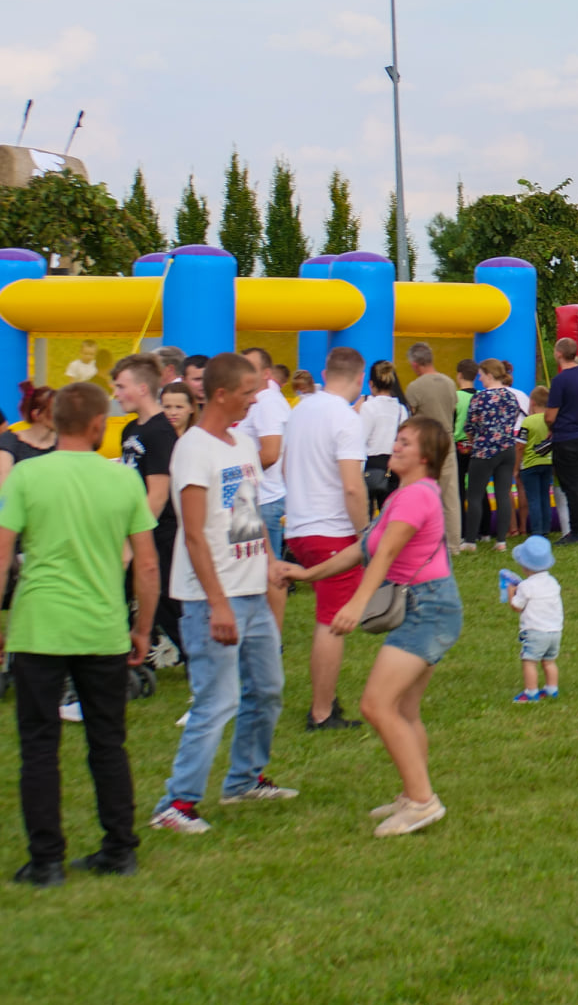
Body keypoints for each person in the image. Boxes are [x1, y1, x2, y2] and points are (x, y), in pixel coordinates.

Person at [1, 383, 160, 886]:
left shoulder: (26, 474)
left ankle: (46, 861)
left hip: (39, 625)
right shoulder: (121, 480)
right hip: (102, 627)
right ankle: (119, 849)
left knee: (39, 746)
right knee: (108, 743)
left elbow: (2, 557)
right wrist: (142, 630)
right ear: (97, 426)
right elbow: (147, 565)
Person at [274, 415, 462, 838]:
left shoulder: (416, 497)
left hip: (427, 608)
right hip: (426, 606)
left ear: (425, 456)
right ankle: (413, 793)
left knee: (376, 705)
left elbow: (387, 552)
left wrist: (357, 604)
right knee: (403, 709)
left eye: (405, 442)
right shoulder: (406, 494)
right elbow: (362, 549)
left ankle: (422, 802)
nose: (395, 446)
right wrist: (306, 574)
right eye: (397, 439)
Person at [152, 353, 295, 835]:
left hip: (252, 591)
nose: (256, 400)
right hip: (213, 599)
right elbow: (193, 535)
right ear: (219, 394)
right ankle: (177, 804)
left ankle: (243, 780)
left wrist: (269, 563)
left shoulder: (240, 445)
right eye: (248, 392)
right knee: (216, 701)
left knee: (268, 689)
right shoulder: (194, 450)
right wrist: (216, 603)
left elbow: (246, 514)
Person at [281, 346, 370, 732]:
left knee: (328, 615)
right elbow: (352, 487)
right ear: (359, 377)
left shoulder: (300, 410)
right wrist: (365, 533)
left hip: (300, 524)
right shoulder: (346, 419)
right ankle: (321, 712)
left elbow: (285, 466)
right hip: (331, 528)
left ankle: (325, 699)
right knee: (333, 621)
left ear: (324, 372)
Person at [113, 355, 180, 663]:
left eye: (120, 386)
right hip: (131, 528)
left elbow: (158, 494)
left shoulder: (160, 431)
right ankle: (125, 657)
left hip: (157, 532)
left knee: (169, 601)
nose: (116, 394)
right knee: (122, 596)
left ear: (142, 388)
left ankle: (202, 662)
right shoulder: (129, 430)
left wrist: (133, 541)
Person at [404, 344, 463, 549]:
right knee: (450, 494)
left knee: (420, 492)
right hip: (447, 439)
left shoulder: (415, 387)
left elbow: (411, 416)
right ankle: (453, 544)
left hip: (426, 441)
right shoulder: (448, 382)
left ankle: (420, 539)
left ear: (414, 364)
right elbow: (453, 408)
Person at [459, 359, 521, 553]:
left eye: (482, 374)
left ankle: (470, 540)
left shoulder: (480, 398)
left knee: (475, 495)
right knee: (503, 493)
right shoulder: (511, 397)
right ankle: (501, 541)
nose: (479, 378)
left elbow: (470, 426)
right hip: (507, 448)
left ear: (490, 375)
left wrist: (474, 440)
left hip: (484, 449)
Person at [542, 338, 578, 546]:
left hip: (566, 437)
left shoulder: (560, 380)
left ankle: (576, 531)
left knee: (571, 486)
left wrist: (550, 427)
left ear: (558, 354)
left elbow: (550, 415)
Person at [237, 347, 289, 561]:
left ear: (266, 373)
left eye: (250, 368)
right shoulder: (264, 402)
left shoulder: (266, 403)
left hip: (264, 497)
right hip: (258, 496)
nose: (244, 373)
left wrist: (235, 473)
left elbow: (270, 454)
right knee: (251, 564)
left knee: (265, 566)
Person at [504, 535, 563, 703]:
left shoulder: (525, 586)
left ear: (525, 566)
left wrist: (510, 592)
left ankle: (530, 693)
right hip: (555, 631)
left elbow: (517, 606)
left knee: (529, 662)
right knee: (549, 661)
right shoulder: (552, 582)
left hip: (536, 632)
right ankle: (552, 689)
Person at [361, 360, 406, 517]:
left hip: (371, 464)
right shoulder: (401, 409)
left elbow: (361, 439)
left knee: (366, 515)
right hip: (392, 466)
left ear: (371, 383)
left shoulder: (368, 407)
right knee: (390, 515)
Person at [517, 385, 555, 538]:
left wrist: (516, 467)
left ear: (532, 402)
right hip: (548, 462)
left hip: (530, 463)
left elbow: (520, 446)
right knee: (545, 496)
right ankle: (546, 527)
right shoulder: (551, 420)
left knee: (533, 498)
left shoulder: (527, 422)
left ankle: (537, 530)